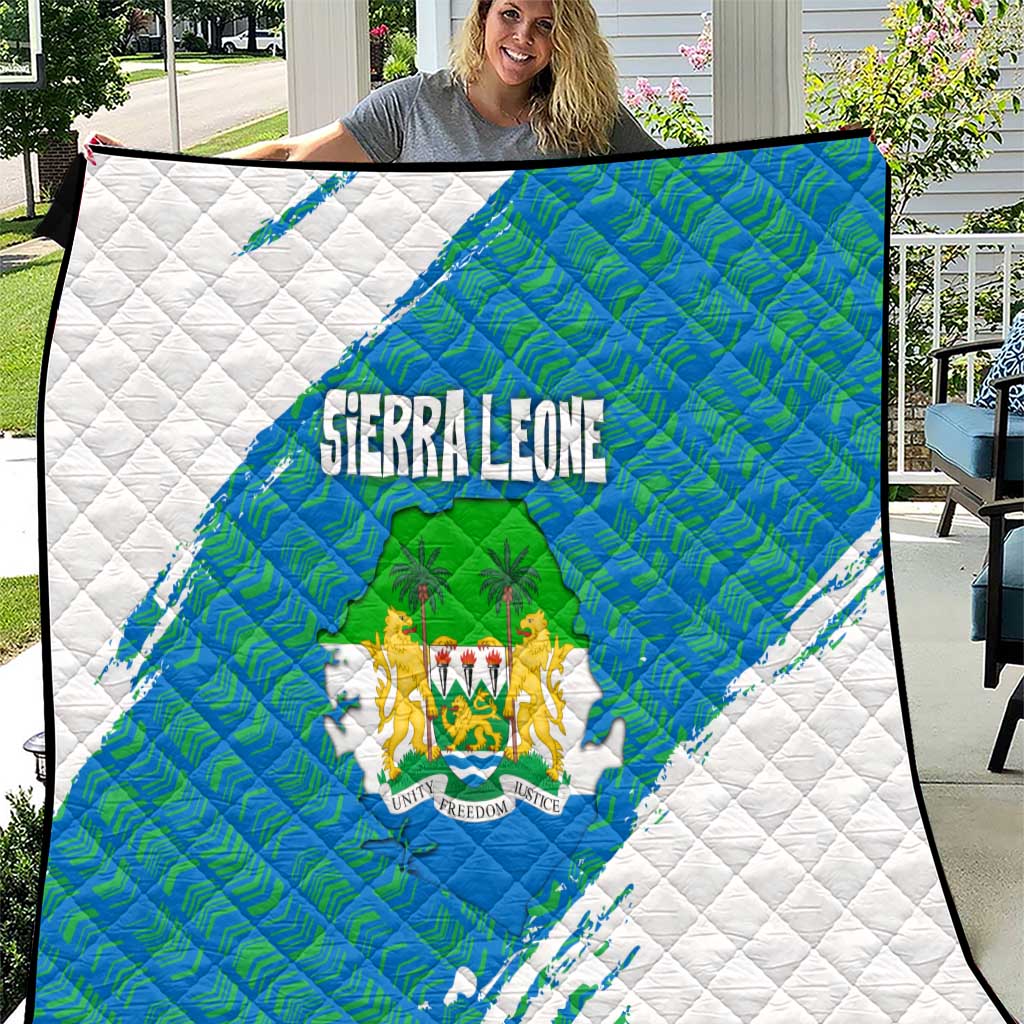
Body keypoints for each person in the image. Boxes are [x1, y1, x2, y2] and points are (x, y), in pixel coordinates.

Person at [91, 0, 660, 163]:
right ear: (483, 17)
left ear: (564, 40)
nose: (522, 37)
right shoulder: (414, 104)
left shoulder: (589, 118)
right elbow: (295, 153)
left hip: (545, 339)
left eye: (544, 25)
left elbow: (683, 189)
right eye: (510, 14)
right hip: (429, 340)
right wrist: (153, 166)